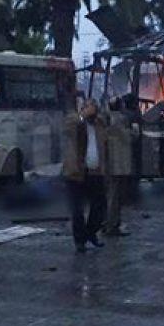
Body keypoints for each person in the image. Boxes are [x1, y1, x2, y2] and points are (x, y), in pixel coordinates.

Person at [62, 99, 108, 253]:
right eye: (90, 107)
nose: (93, 111)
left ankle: (91, 233)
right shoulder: (74, 121)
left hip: (95, 171)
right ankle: (80, 241)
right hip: (76, 172)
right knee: (77, 209)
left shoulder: (99, 124)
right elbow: (70, 126)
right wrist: (82, 115)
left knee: (99, 205)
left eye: (95, 108)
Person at [105, 96, 134, 237]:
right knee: (115, 196)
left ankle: (107, 223)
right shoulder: (121, 120)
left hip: (108, 163)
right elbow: (128, 137)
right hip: (118, 164)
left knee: (109, 194)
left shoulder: (105, 119)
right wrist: (133, 130)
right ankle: (112, 225)